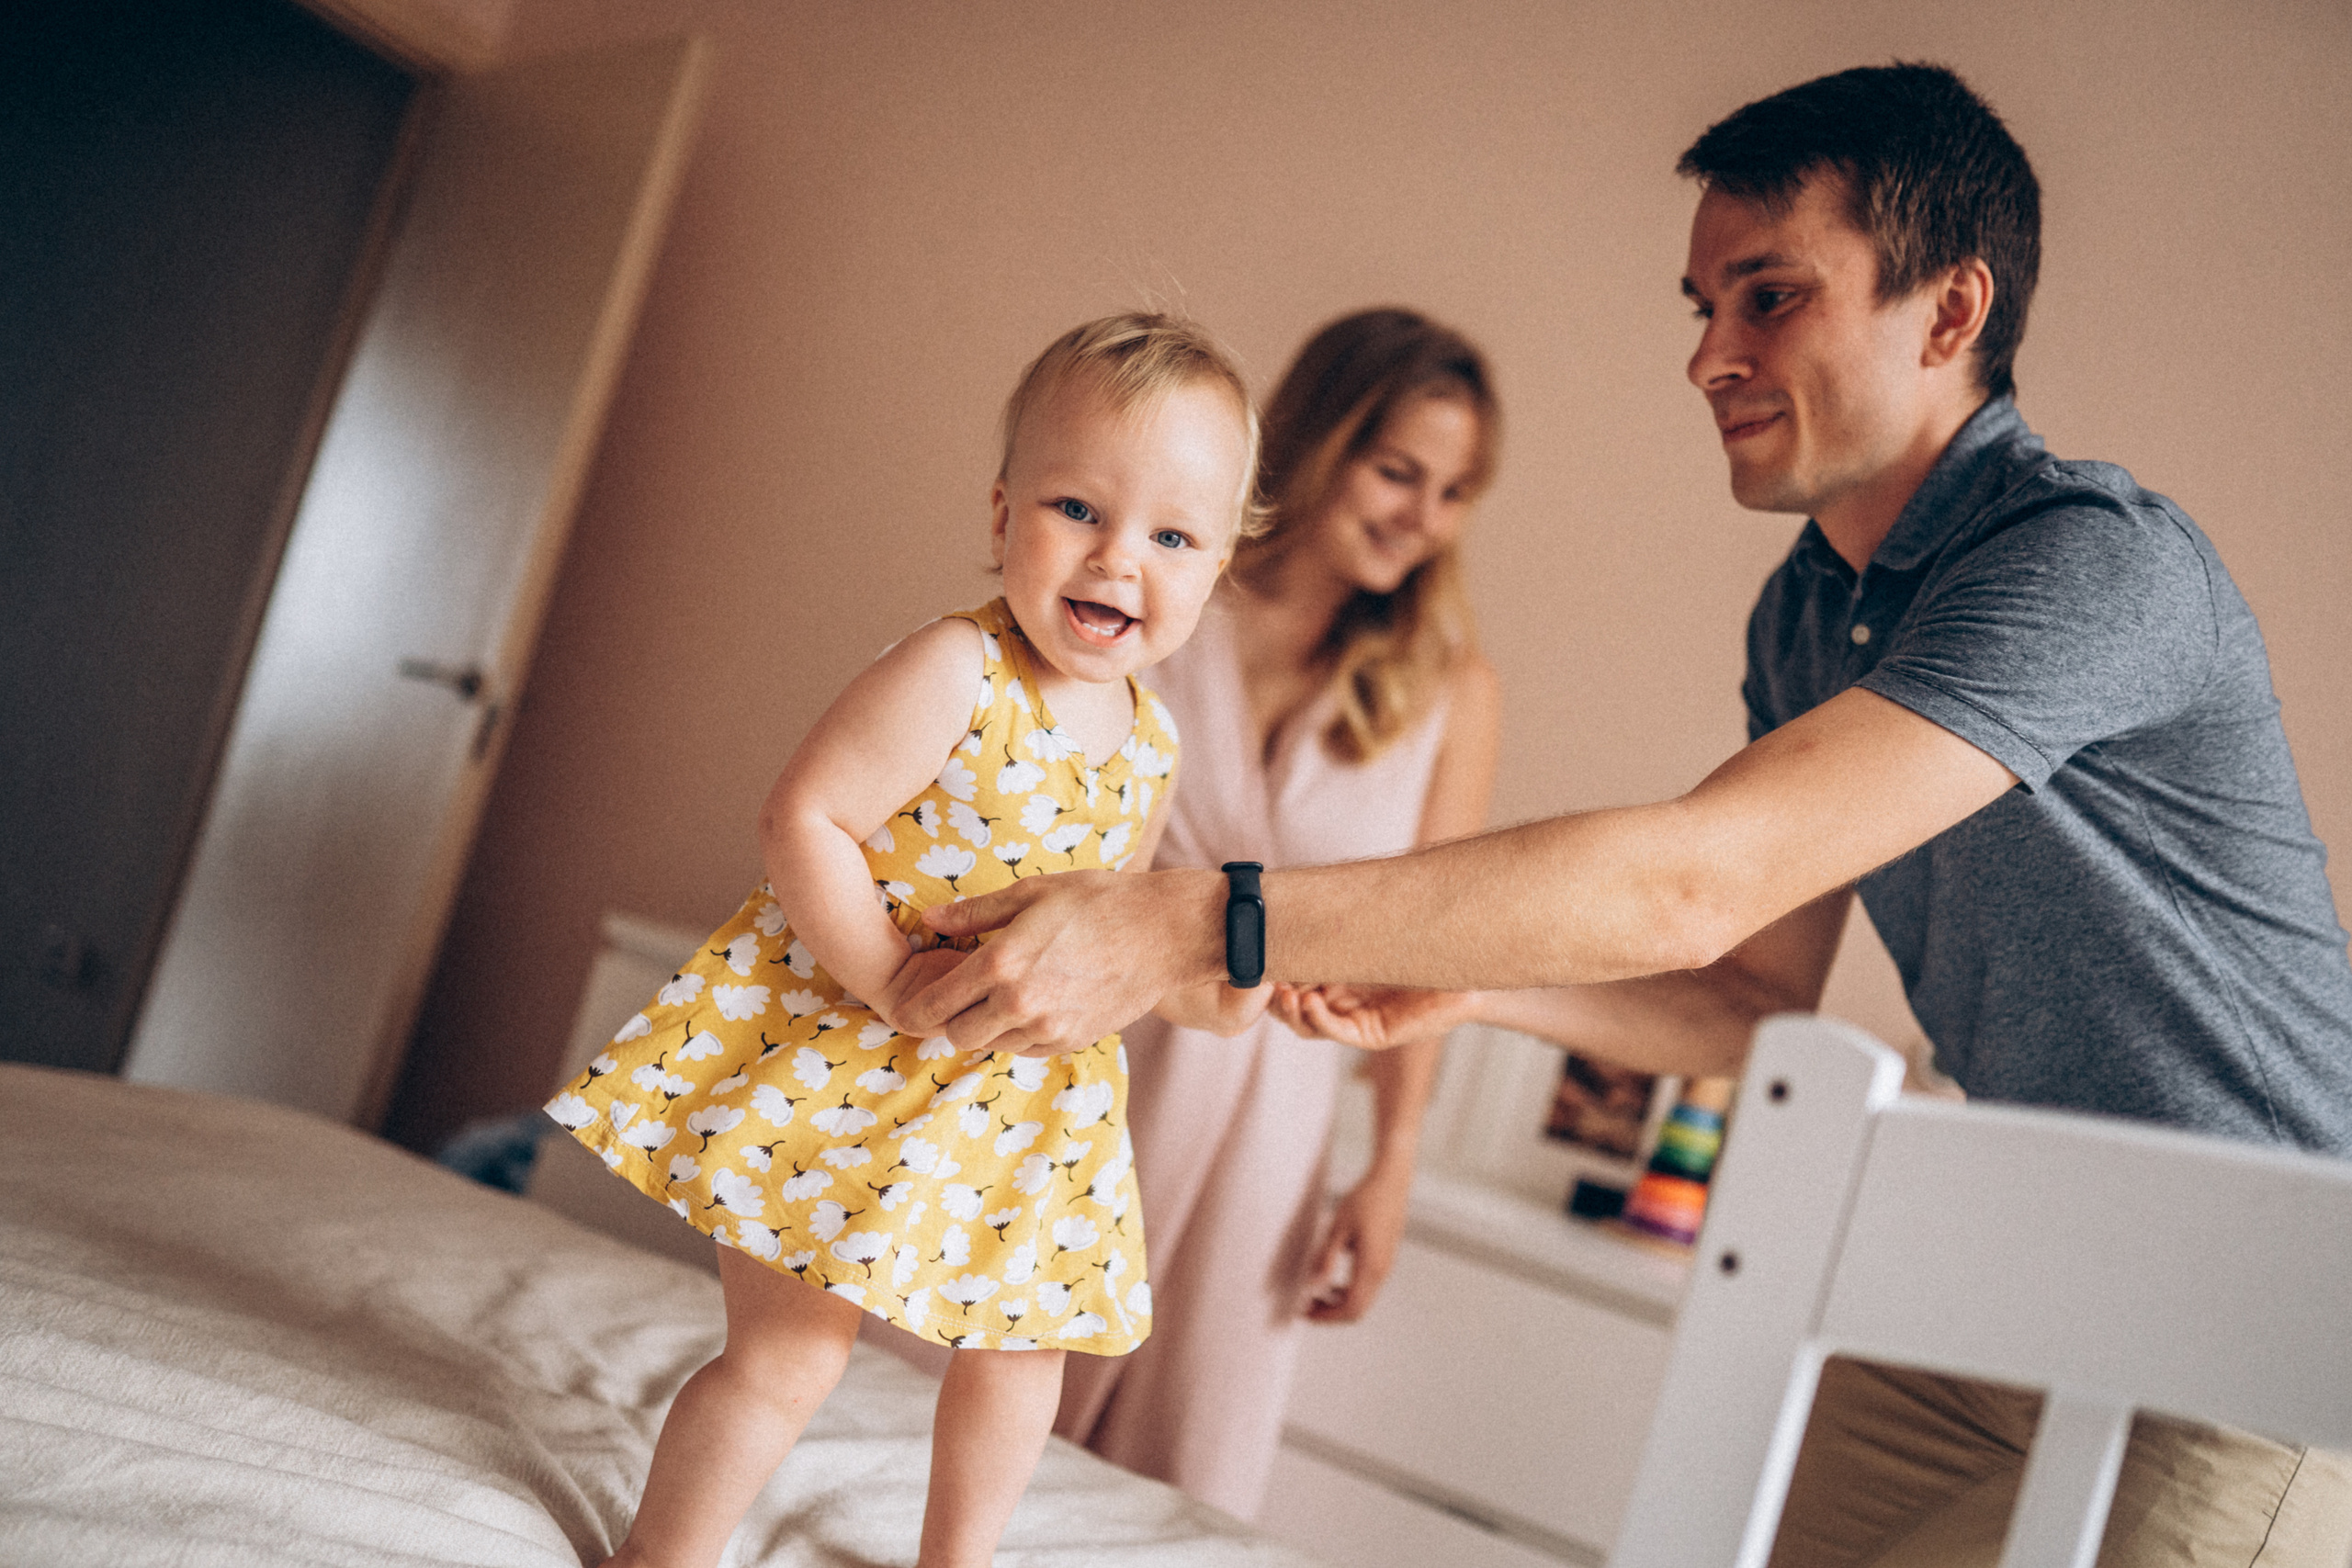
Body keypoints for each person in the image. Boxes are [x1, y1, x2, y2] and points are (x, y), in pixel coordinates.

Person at [899, 64, 2352, 1565]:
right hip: (1996, 1272)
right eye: (1701, 305)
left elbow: (1691, 887)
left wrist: (1194, 920)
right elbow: (1744, 1001)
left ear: (1951, 312)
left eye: (1769, 298)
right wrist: (1477, 989)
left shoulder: (2093, 569)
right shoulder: (1810, 615)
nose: (1707, 355)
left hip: (2254, 1324)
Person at [544, 312, 1271, 1568]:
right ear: (1001, 519)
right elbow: (805, 816)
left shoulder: (1152, 742)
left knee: (1023, 1350)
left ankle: (955, 1560)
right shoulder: (958, 671)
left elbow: (1114, 926)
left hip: (1025, 1094)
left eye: (1171, 536)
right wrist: (886, 979)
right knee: (789, 1355)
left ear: (1215, 570)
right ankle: (661, 1558)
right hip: (859, 1050)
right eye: (1076, 510)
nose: (1117, 561)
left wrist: (1229, 992)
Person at [1051, 308, 1503, 1516]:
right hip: (1086, 1053)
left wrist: (1390, 1161)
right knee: (967, 1399)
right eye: (1397, 468)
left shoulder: (1447, 691)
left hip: (1271, 1118)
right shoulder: (1158, 593)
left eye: (1455, 491)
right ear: (1315, 442)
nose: (1421, 514)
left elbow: (1438, 942)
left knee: (1166, 1481)